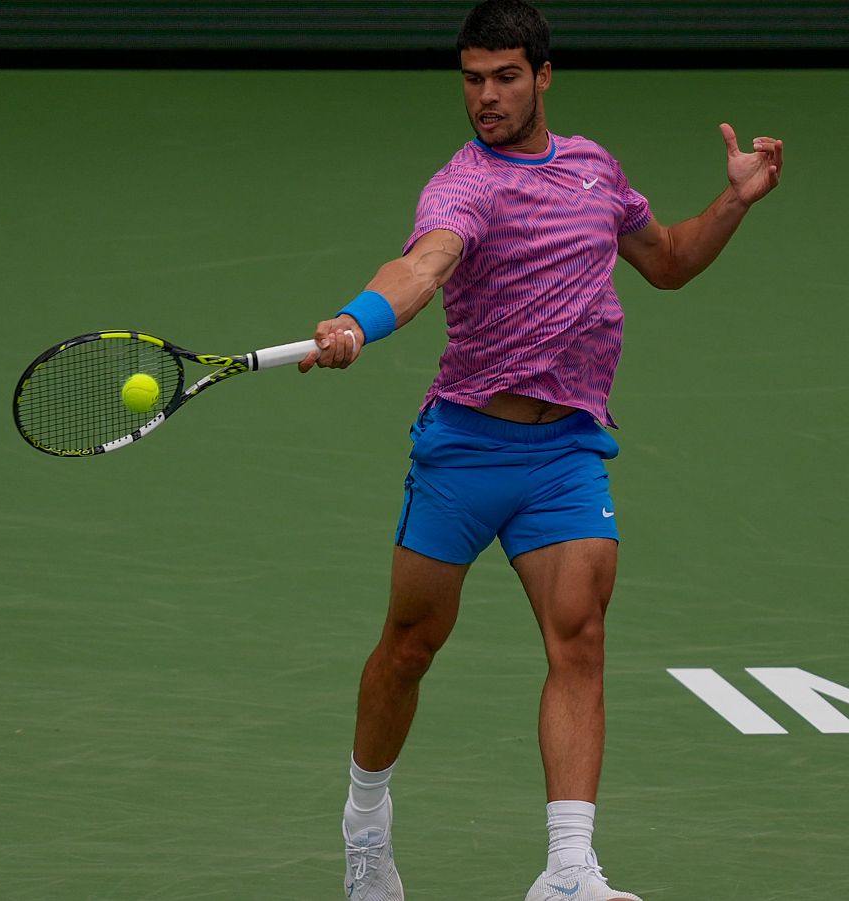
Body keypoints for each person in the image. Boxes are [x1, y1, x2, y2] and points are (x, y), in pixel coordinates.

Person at [297, 1, 783, 899]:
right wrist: (357, 320)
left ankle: (567, 869)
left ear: (543, 77)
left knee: (580, 637)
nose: (486, 97)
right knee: (409, 647)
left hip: (565, 453)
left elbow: (669, 260)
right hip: (465, 447)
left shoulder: (595, 168)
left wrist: (736, 199)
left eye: (505, 78)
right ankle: (365, 825)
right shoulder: (463, 186)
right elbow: (422, 267)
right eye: (472, 80)